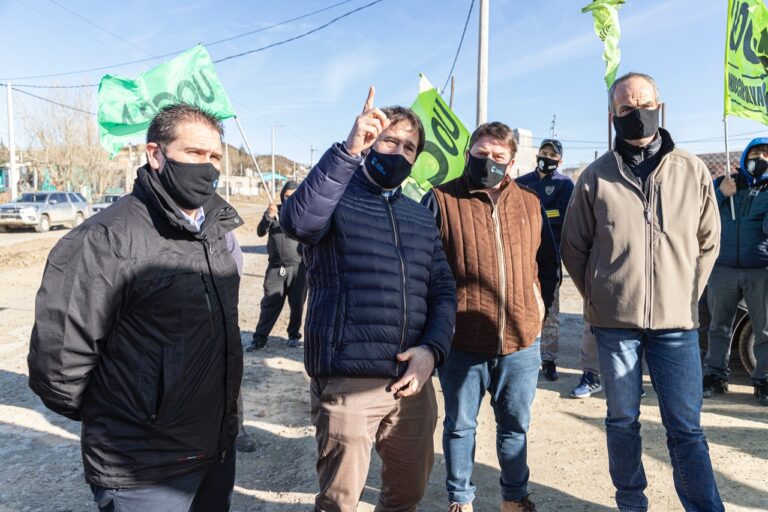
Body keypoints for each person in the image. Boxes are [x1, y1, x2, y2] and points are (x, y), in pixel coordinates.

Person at [27, 104, 244, 511]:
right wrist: (133, 415)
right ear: (155, 154)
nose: (208, 166)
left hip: (214, 450)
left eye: (215, 156)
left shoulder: (213, 231)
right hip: (142, 467)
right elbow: (58, 364)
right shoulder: (106, 238)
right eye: (195, 153)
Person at [279, 87, 457, 512]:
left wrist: (431, 351)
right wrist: (348, 151)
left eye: (409, 147)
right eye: (390, 141)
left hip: (411, 380)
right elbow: (298, 222)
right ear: (371, 140)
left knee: (406, 494)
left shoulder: (419, 214)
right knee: (340, 500)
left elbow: (443, 289)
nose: (399, 152)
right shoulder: (336, 196)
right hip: (348, 379)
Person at [561, 72, 724, 512]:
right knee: (621, 422)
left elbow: (709, 241)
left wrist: (687, 293)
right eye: (627, 108)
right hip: (615, 328)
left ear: (660, 106)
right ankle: (631, 503)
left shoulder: (691, 170)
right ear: (613, 116)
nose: (637, 113)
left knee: (687, 428)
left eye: (644, 104)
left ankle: (704, 507)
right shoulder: (595, 177)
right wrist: (600, 298)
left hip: (677, 326)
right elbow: (574, 248)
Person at [422, 121, 559, 512]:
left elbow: (548, 263)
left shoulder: (530, 202)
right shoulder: (441, 200)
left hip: (520, 343)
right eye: (481, 154)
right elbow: (421, 268)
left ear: (512, 162)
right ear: (468, 154)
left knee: (515, 427)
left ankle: (514, 498)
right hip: (461, 341)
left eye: (498, 157)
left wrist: (537, 307)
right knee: (460, 426)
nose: (489, 162)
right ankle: (460, 498)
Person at [703, 138, 768, 405]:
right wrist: (721, 194)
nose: (761, 157)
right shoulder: (725, 182)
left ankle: (763, 380)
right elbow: (701, 214)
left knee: (764, 329)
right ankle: (716, 375)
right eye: (756, 153)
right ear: (745, 157)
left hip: (760, 270)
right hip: (723, 268)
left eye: (766, 154)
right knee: (718, 326)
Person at [516, 138, 573, 381]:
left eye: (552, 154)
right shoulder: (521, 183)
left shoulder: (564, 184)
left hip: (550, 255)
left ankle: (548, 359)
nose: (546, 157)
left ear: (559, 160)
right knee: (520, 304)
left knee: (549, 307)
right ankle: (520, 353)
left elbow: (562, 215)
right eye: (544, 152)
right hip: (521, 254)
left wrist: (535, 214)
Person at [246, 180, 307, 350]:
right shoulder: (274, 211)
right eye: (287, 196)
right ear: (282, 196)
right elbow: (260, 232)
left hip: (299, 268)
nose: (289, 199)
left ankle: (294, 335)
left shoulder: (304, 213)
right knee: (269, 304)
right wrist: (268, 217)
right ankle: (259, 339)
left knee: (297, 305)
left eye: (293, 196)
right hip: (275, 268)